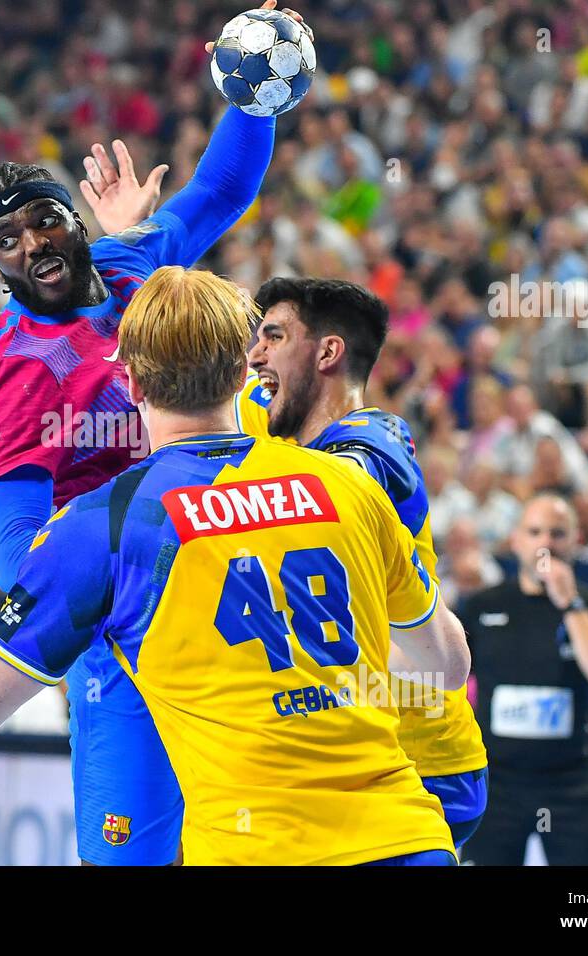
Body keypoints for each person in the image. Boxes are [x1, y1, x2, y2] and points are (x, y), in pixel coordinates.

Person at [0, 266, 469, 865]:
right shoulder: (347, 483)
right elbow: (444, 665)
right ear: (243, 373)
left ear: (128, 382)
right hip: (407, 841)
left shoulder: (102, 524)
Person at [0, 0, 311, 866]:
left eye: (43, 219)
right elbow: (13, 543)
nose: (32, 243)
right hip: (129, 630)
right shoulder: (18, 366)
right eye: (5, 241)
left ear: (75, 223)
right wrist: (100, 590)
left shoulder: (135, 263)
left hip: (238, 583)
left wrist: (250, 94)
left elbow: (224, 190)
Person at [240, 276, 488, 849]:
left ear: (327, 353)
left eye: (273, 337)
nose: (256, 354)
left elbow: (346, 481)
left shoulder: (376, 442)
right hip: (325, 755)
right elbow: (190, 379)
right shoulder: (269, 412)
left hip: (422, 762)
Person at [458, 496, 588, 865]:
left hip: (570, 784)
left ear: (576, 541)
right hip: (496, 784)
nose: (546, 543)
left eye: (558, 533)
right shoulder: (481, 606)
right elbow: (441, 675)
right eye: (535, 532)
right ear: (516, 540)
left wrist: (570, 605)